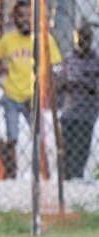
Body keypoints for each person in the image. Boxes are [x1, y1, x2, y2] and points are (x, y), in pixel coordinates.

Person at [0, 0, 61, 179]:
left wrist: (45, 89)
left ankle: (45, 174)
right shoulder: (8, 40)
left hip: (33, 97)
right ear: (13, 19)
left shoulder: (45, 39)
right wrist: (1, 69)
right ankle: (10, 176)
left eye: (29, 16)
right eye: (20, 15)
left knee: (39, 137)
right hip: (12, 95)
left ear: (36, 18)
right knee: (11, 138)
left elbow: (56, 68)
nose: (24, 20)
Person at [57, 23, 99, 180]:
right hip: (69, 111)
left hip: (87, 114)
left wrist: (84, 85)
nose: (82, 40)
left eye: (86, 37)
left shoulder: (96, 59)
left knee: (80, 152)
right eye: (79, 36)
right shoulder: (68, 59)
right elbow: (61, 83)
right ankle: (66, 182)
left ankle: (77, 180)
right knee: (66, 151)